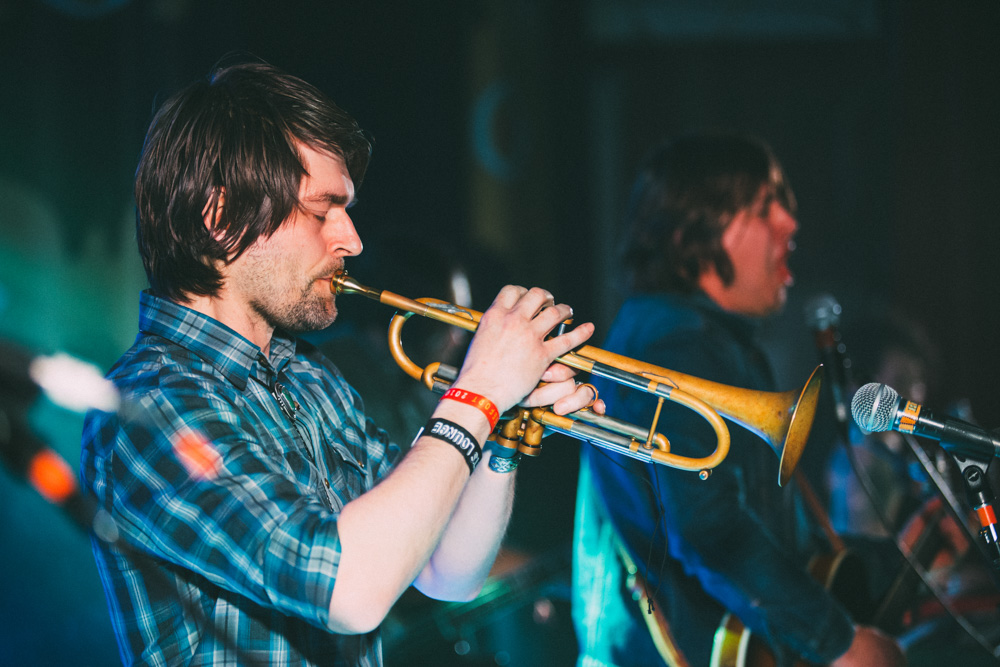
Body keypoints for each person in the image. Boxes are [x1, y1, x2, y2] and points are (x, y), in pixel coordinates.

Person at [80, 60, 600, 666]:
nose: (351, 240)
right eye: (322, 211)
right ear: (220, 219)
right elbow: (346, 589)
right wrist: (477, 393)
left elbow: (445, 572)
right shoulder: (150, 407)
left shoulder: (309, 377)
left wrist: (503, 428)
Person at [572, 132, 906, 666]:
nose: (789, 224)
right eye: (763, 207)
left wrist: (902, 563)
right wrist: (838, 644)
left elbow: (779, 544)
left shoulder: (693, 337)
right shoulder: (679, 346)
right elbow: (711, 529)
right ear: (694, 235)